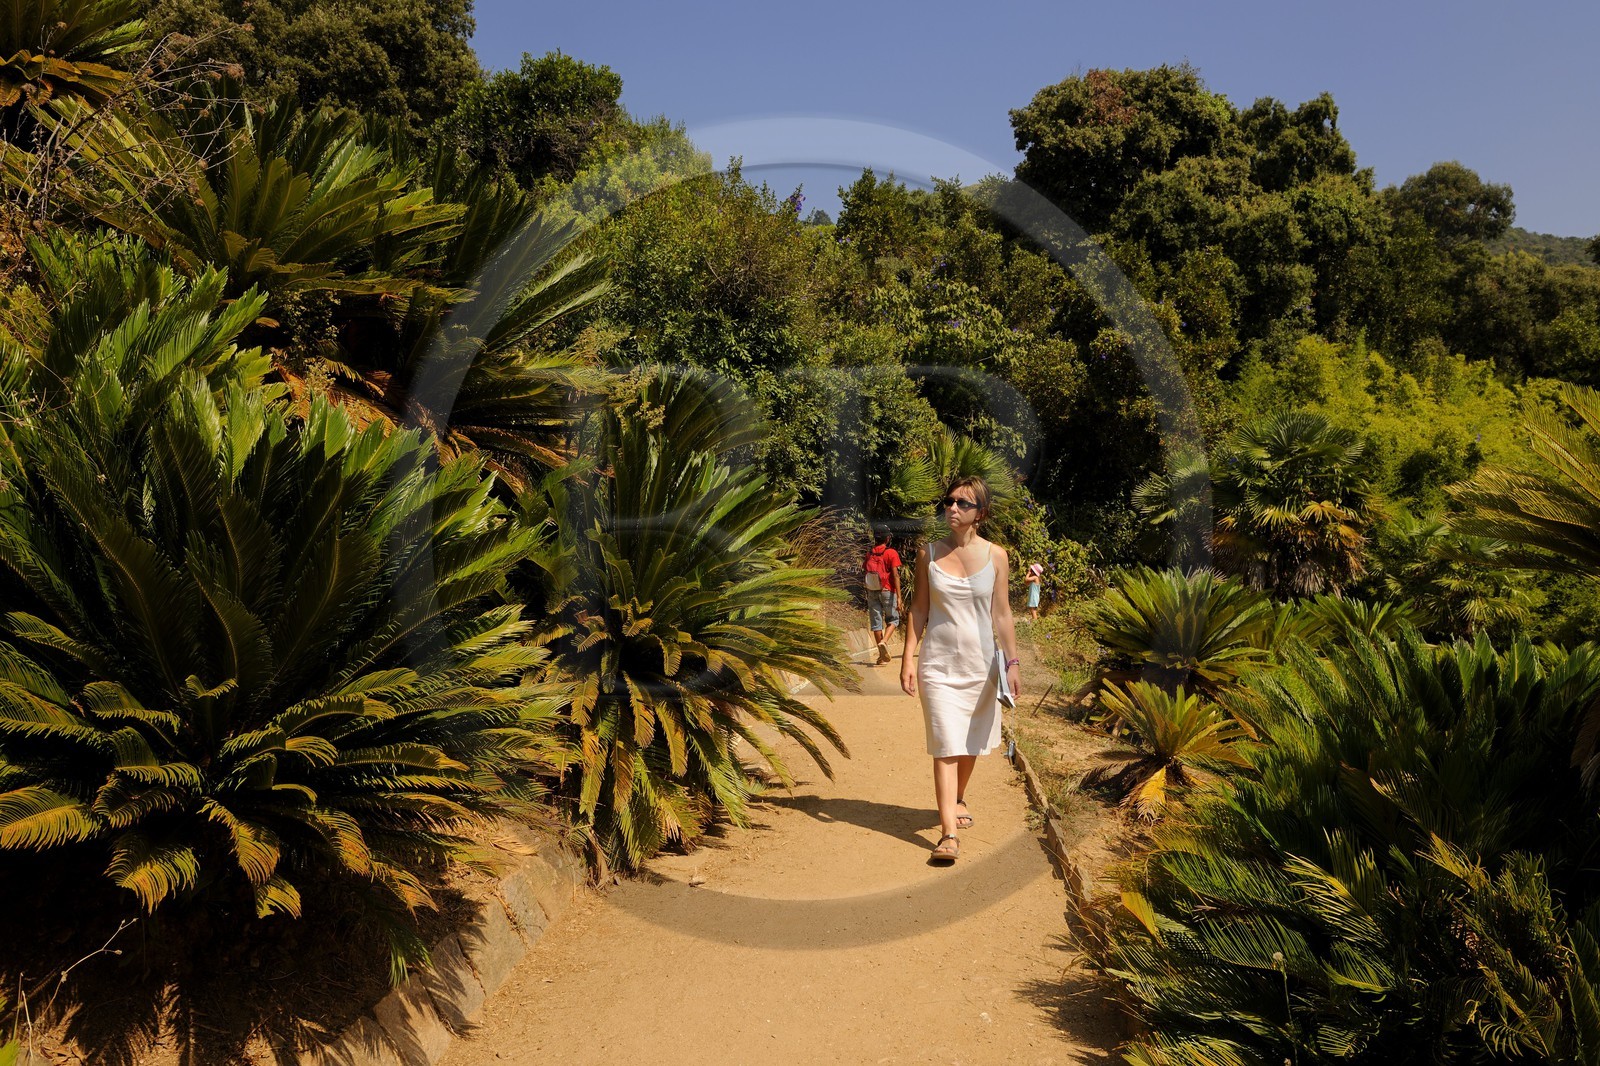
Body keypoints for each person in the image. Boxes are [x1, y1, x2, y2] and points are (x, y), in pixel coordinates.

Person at [900, 477, 1020, 863]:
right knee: (946, 743)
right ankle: (948, 833)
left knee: (970, 742)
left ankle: (957, 797)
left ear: (980, 514)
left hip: (981, 666)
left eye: (962, 504)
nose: (952, 509)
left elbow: (1002, 614)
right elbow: (919, 609)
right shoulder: (929, 555)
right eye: (949, 501)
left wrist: (1012, 662)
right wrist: (907, 657)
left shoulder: (996, 556)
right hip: (937, 666)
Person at [862, 527, 902, 665]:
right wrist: (899, 596)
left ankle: (881, 657)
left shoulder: (869, 553)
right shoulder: (891, 553)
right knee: (894, 619)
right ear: (887, 538)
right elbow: (895, 575)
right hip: (887, 590)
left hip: (872, 590)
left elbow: (865, 570)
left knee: (876, 623)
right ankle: (884, 642)